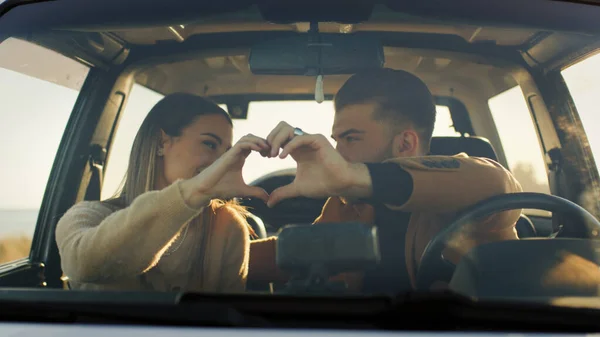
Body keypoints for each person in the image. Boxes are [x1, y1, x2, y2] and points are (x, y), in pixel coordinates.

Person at [249, 68, 523, 294]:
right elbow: (300, 255)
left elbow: (496, 184)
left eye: (351, 138)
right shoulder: (346, 205)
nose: (337, 154)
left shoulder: (478, 185)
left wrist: (348, 176)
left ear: (405, 143)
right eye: (336, 140)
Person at [55, 93, 270, 293]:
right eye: (209, 144)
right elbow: (83, 266)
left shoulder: (226, 226)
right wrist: (192, 192)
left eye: (226, 153)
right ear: (161, 142)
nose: (221, 162)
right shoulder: (88, 216)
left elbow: (227, 323)